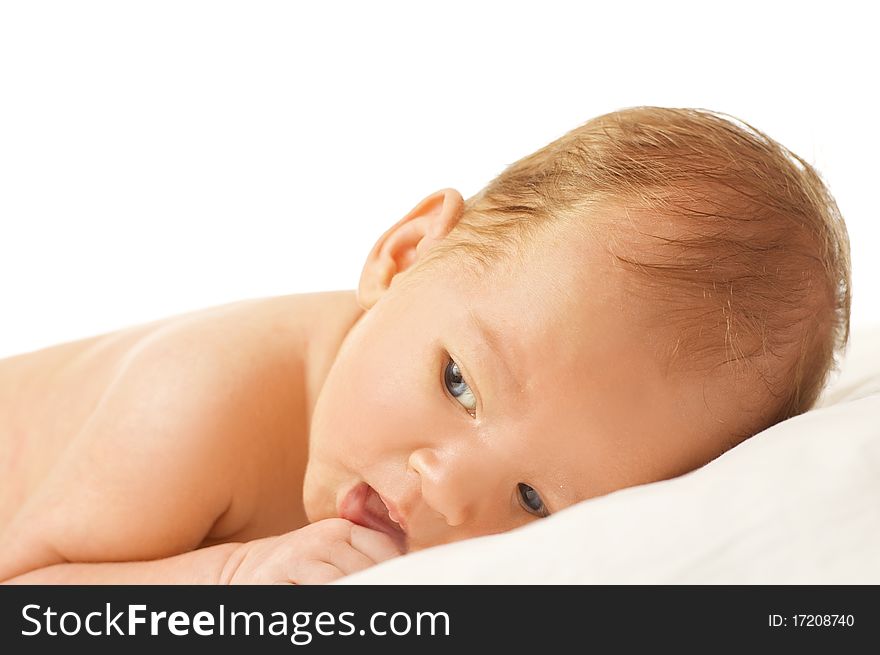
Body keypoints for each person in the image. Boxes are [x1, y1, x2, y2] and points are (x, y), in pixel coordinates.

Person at [0, 106, 851, 584]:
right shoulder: (196, 401)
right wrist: (231, 579)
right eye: (459, 383)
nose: (448, 489)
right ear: (405, 254)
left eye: (533, 499)